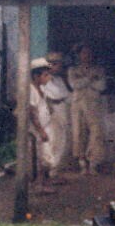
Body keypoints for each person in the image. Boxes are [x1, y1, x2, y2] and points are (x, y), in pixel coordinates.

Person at [66, 44, 107, 173]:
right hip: (78, 104)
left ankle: (93, 163)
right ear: (79, 55)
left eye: (89, 53)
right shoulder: (73, 70)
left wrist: (85, 82)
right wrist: (90, 79)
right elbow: (74, 85)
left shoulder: (99, 70)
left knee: (96, 133)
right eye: (83, 53)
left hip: (94, 104)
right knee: (79, 132)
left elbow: (102, 86)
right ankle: (82, 163)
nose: (86, 56)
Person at [39, 51, 73, 181]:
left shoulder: (59, 80)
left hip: (61, 108)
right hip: (50, 109)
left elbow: (66, 96)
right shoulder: (43, 80)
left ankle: (55, 170)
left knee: (61, 140)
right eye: (55, 64)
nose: (58, 67)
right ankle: (49, 171)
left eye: (59, 64)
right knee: (51, 140)